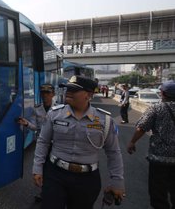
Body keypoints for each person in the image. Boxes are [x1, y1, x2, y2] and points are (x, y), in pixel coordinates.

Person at [33, 75, 125, 209]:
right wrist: (37, 168)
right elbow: (43, 142)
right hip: (55, 174)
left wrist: (117, 181)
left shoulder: (104, 120)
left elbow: (114, 152)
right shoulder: (54, 114)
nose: (68, 92)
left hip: (87, 180)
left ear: (89, 95)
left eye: (74, 89)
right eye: (67, 88)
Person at [127, 80, 175, 209]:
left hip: (159, 158)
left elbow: (141, 128)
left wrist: (132, 142)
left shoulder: (157, 108)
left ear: (163, 93)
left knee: (158, 192)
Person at [17, 83, 57, 202]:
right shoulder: (37, 108)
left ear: (53, 94)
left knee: (55, 169)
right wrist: (26, 123)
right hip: (42, 144)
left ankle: (56, 191)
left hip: (57, 145)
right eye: (43, 93)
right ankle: (44, 192)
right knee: (43, 168)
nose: (45, 96)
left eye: (48, 93)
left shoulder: (60, 109)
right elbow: (35, 127)